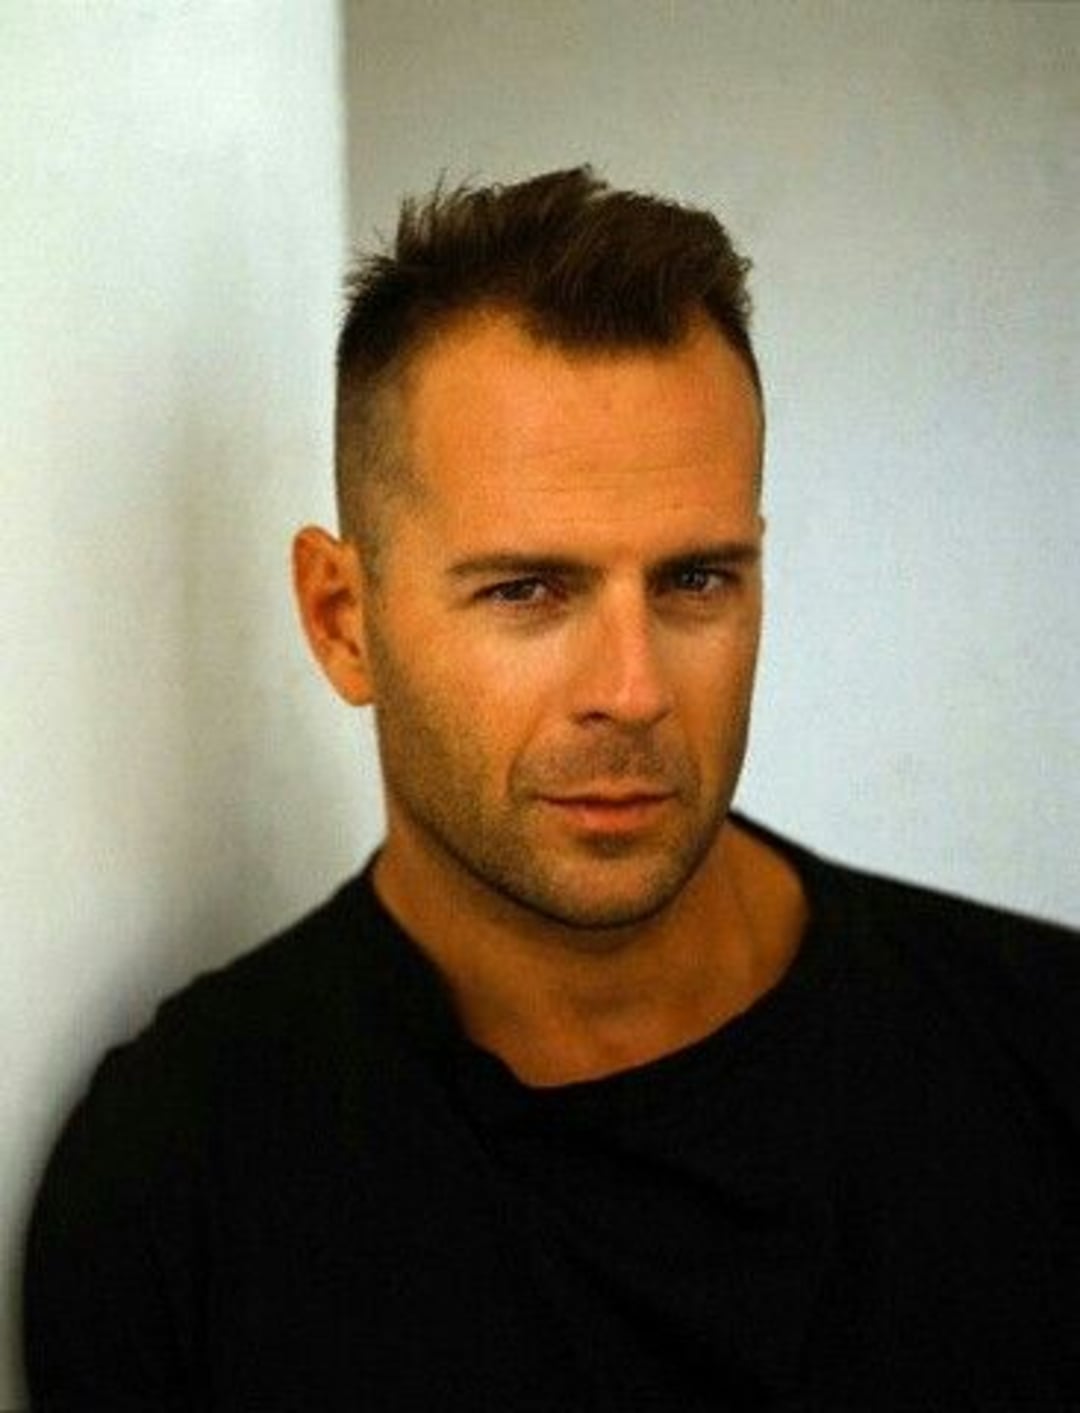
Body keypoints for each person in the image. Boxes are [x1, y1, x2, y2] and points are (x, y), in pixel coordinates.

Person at [24, 167, 1079, 1410]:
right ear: (342, 621)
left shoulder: (1047, 1053)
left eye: (694, 581)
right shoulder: (180, 1177)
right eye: (527, 591)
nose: (631, 691)